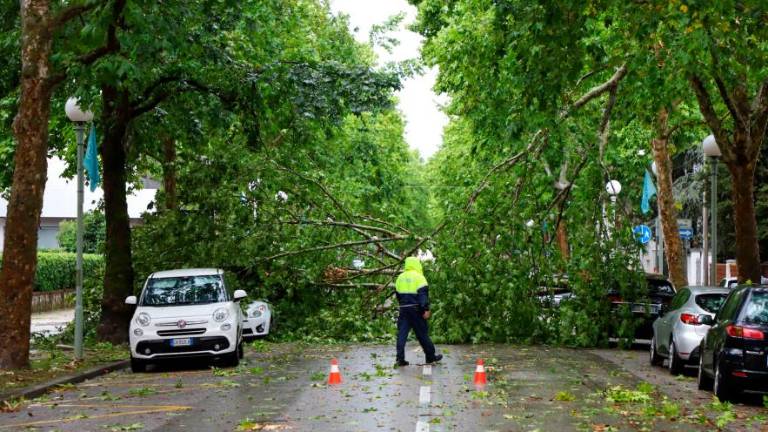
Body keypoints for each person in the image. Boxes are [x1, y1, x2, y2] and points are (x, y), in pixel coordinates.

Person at [394, 257, 442, 367]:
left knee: (401, 334)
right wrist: (425, 309)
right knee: (422, 334)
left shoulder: (400, 278)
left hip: (404, 309)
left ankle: (400, 359)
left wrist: (403, 305)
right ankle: (430, 357)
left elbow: (397, 295)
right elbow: (423, 296)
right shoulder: (419, 277)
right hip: (416, 309)